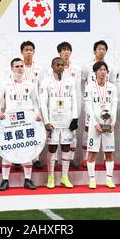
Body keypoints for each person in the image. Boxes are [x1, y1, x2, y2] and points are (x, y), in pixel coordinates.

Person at [0, 58, 42, 191]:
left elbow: (35, 102)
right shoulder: (5, 84)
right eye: (17, 66)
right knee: (7, 151)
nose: (20, 68)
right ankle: (5, 180)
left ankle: (27, 180)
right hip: (10, 122)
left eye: (22, 66)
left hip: (26, 122)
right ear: (12, 69)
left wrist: (37, 114)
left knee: (27, 150)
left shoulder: (30, 84)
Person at [40, 57, 79, 189]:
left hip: (66, 121)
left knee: (66, 147)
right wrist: (46, 121)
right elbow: (43, 104)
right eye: (57, 65)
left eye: (62, 65)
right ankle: (50, 177)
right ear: (52, 66)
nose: (60, 67)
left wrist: (75, 118)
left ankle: (64, 177)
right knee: (52, 147)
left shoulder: (70, 81)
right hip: (53, 121)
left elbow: (74, 100)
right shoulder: (46, 82)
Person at [84, 61, 118, 189]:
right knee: (92, 152)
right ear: (95, 72)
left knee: (109, 152)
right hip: (95, 125)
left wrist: (113, 122)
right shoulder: (90, 87)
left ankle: (109, 179)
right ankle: (92, 180)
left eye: (104, 69)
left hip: (108, 124)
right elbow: (89, 107)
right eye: (100, 69)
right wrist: (95, 123)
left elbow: (114, 106)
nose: (103, 72)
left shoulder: (112, 88)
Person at [81, 40, 113, 168]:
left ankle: (107, 158)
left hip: (106, 104)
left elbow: (112, 84)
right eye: (99, 48)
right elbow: (83, 84)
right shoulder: (87, 66)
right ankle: (85, 157)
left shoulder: (110, 66)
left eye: (104, 49)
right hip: (92, 103)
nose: (101, 51)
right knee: (88, 128)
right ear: (94, 51)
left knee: (106, 129)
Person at [55, 42, 82, 169]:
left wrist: (76, 109)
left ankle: (70, 158)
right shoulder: (55, 67)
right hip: (57, 106)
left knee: (73, 131)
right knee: (55, 132)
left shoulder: (77, 69)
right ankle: (54, 159)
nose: (66, 52)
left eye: (68, 50)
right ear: (59, 52)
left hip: (73, 103)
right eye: (63, 50)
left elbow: (77, 89)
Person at [19, 41, 44, 170]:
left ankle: (36, 159)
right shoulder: (17, 66)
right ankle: (17, 158)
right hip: (20, 104)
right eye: (26, 50)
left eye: (30, 50)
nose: (28, 52)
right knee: (19, 131)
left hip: (35, 104)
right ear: (22, 52)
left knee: (35, 132)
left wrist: (40, 106)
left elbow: (42, 88)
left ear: (34, 52)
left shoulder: (39, 69)